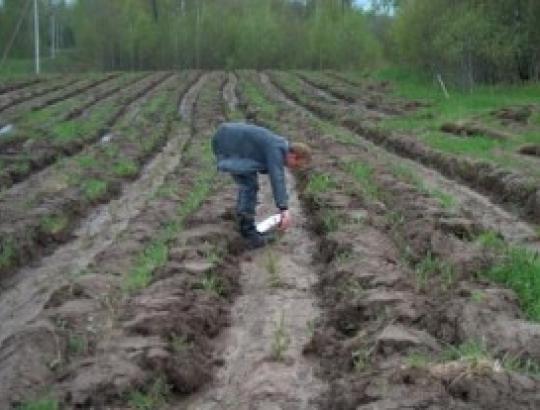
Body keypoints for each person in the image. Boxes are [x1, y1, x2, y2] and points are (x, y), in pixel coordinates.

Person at [211, 122, 312, 249]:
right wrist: (284, 209)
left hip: (228, 139)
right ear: (293, 156)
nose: (293, 168)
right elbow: (277, 178)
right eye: (296, 165)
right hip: (227, 143)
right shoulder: (276, 149)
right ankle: (248, 232)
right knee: (249, 185)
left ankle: (243, 221)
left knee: (247, 183)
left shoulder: (278, 145)